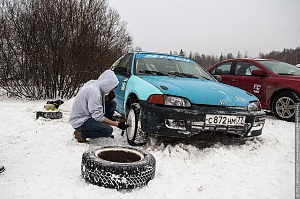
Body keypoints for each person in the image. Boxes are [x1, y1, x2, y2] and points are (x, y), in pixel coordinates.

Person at [69, 69, 128, 143]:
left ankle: (99, 126)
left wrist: (106, 98)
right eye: (113, 87)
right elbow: (98, 116)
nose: (113, 89)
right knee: (108, 130)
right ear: (107, 85)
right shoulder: (94, 93)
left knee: (111, 104)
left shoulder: (95, 84)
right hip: (80, 121)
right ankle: (81, 134)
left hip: (87, 114)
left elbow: (93, 103)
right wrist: (117, 124)